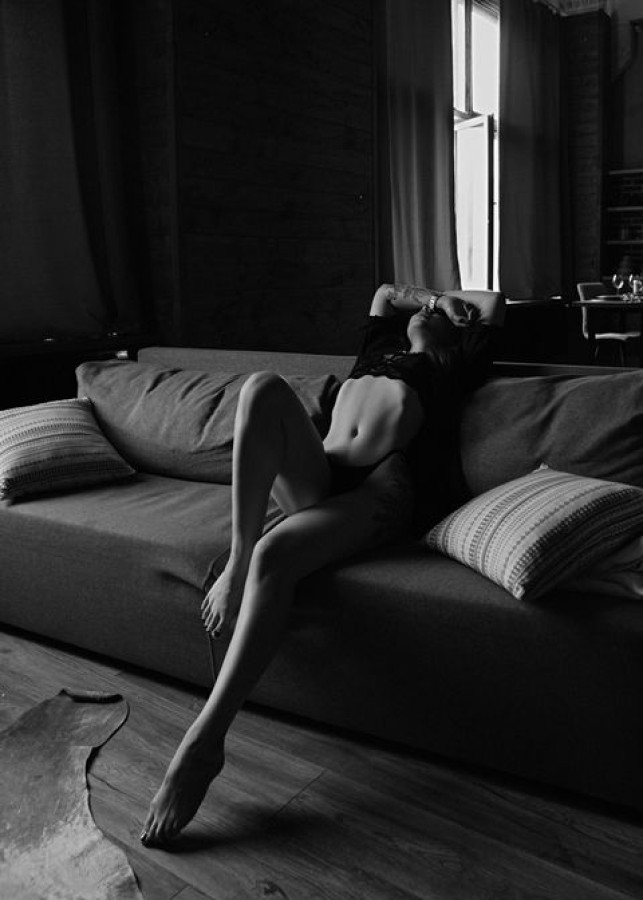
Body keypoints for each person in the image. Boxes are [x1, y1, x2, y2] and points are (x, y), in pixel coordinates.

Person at [140, 282, 505, 846]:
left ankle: (204, 743)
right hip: (320, 475)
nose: (426, 315)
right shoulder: (379, 347)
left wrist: (445, 312)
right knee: (261, 387)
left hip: (383, 486)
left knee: (276, 555)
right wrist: (433, 301)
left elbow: (493, 305)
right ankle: (236, 560)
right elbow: (386, 293)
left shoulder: (453, 363)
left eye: (439, 316)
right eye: (425, 312)